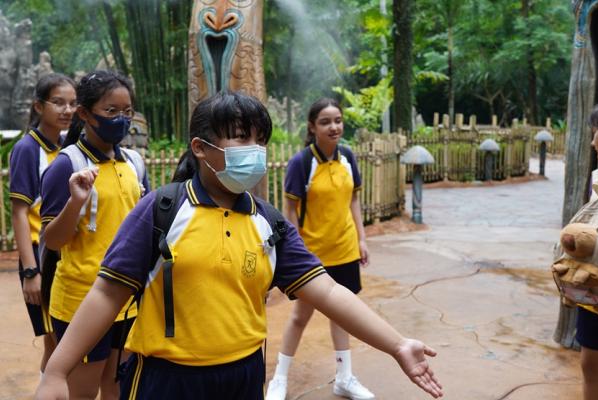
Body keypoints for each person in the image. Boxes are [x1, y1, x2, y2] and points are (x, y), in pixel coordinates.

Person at [34, 91, 443, 400]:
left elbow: (328, 291)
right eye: (241, 138)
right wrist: (56, 370)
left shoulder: (269, 223)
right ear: (200, 148)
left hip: (245, 375)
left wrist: (397, 344)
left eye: (260, 140)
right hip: (167, 379)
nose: (255, 151)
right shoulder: (162, 210)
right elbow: (107, 294)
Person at [38, 70, 149, 400]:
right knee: (82, 393)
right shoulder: (67, 164)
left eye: (127, 111)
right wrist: (75, 202)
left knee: (117, 389)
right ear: (84, 114)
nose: (121, 119)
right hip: (80, 301)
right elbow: (53, 241)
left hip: (127, 299)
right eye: (111, 111)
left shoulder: (134, 163)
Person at [266, 98, 374, 400]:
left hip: (345, 250)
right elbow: (290, 209)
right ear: (312, 127)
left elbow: (354, 200)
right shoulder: (301, 163)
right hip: (312, 257)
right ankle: (279, 379)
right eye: (325, 122)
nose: (334, 127)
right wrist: (292, 251)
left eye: (338, 120)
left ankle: (344, 377)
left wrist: (362, 239)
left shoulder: (347, 157)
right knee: (300, 316)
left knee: (343, 316)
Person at [10, 73, 77, 376]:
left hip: (64, 255)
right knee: (57, 344)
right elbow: (20, 213)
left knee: (64, 343)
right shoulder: (28, 148)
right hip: (42, 256)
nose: (67, 110)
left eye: (73, 104)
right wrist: (30, 271)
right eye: (58, 103)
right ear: (39, 106)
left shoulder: (66, 146)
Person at [577, 104, 598, 400]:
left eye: (597, 132)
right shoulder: (597, 179)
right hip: (594, 286)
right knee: (590, 363)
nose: (593, 141)